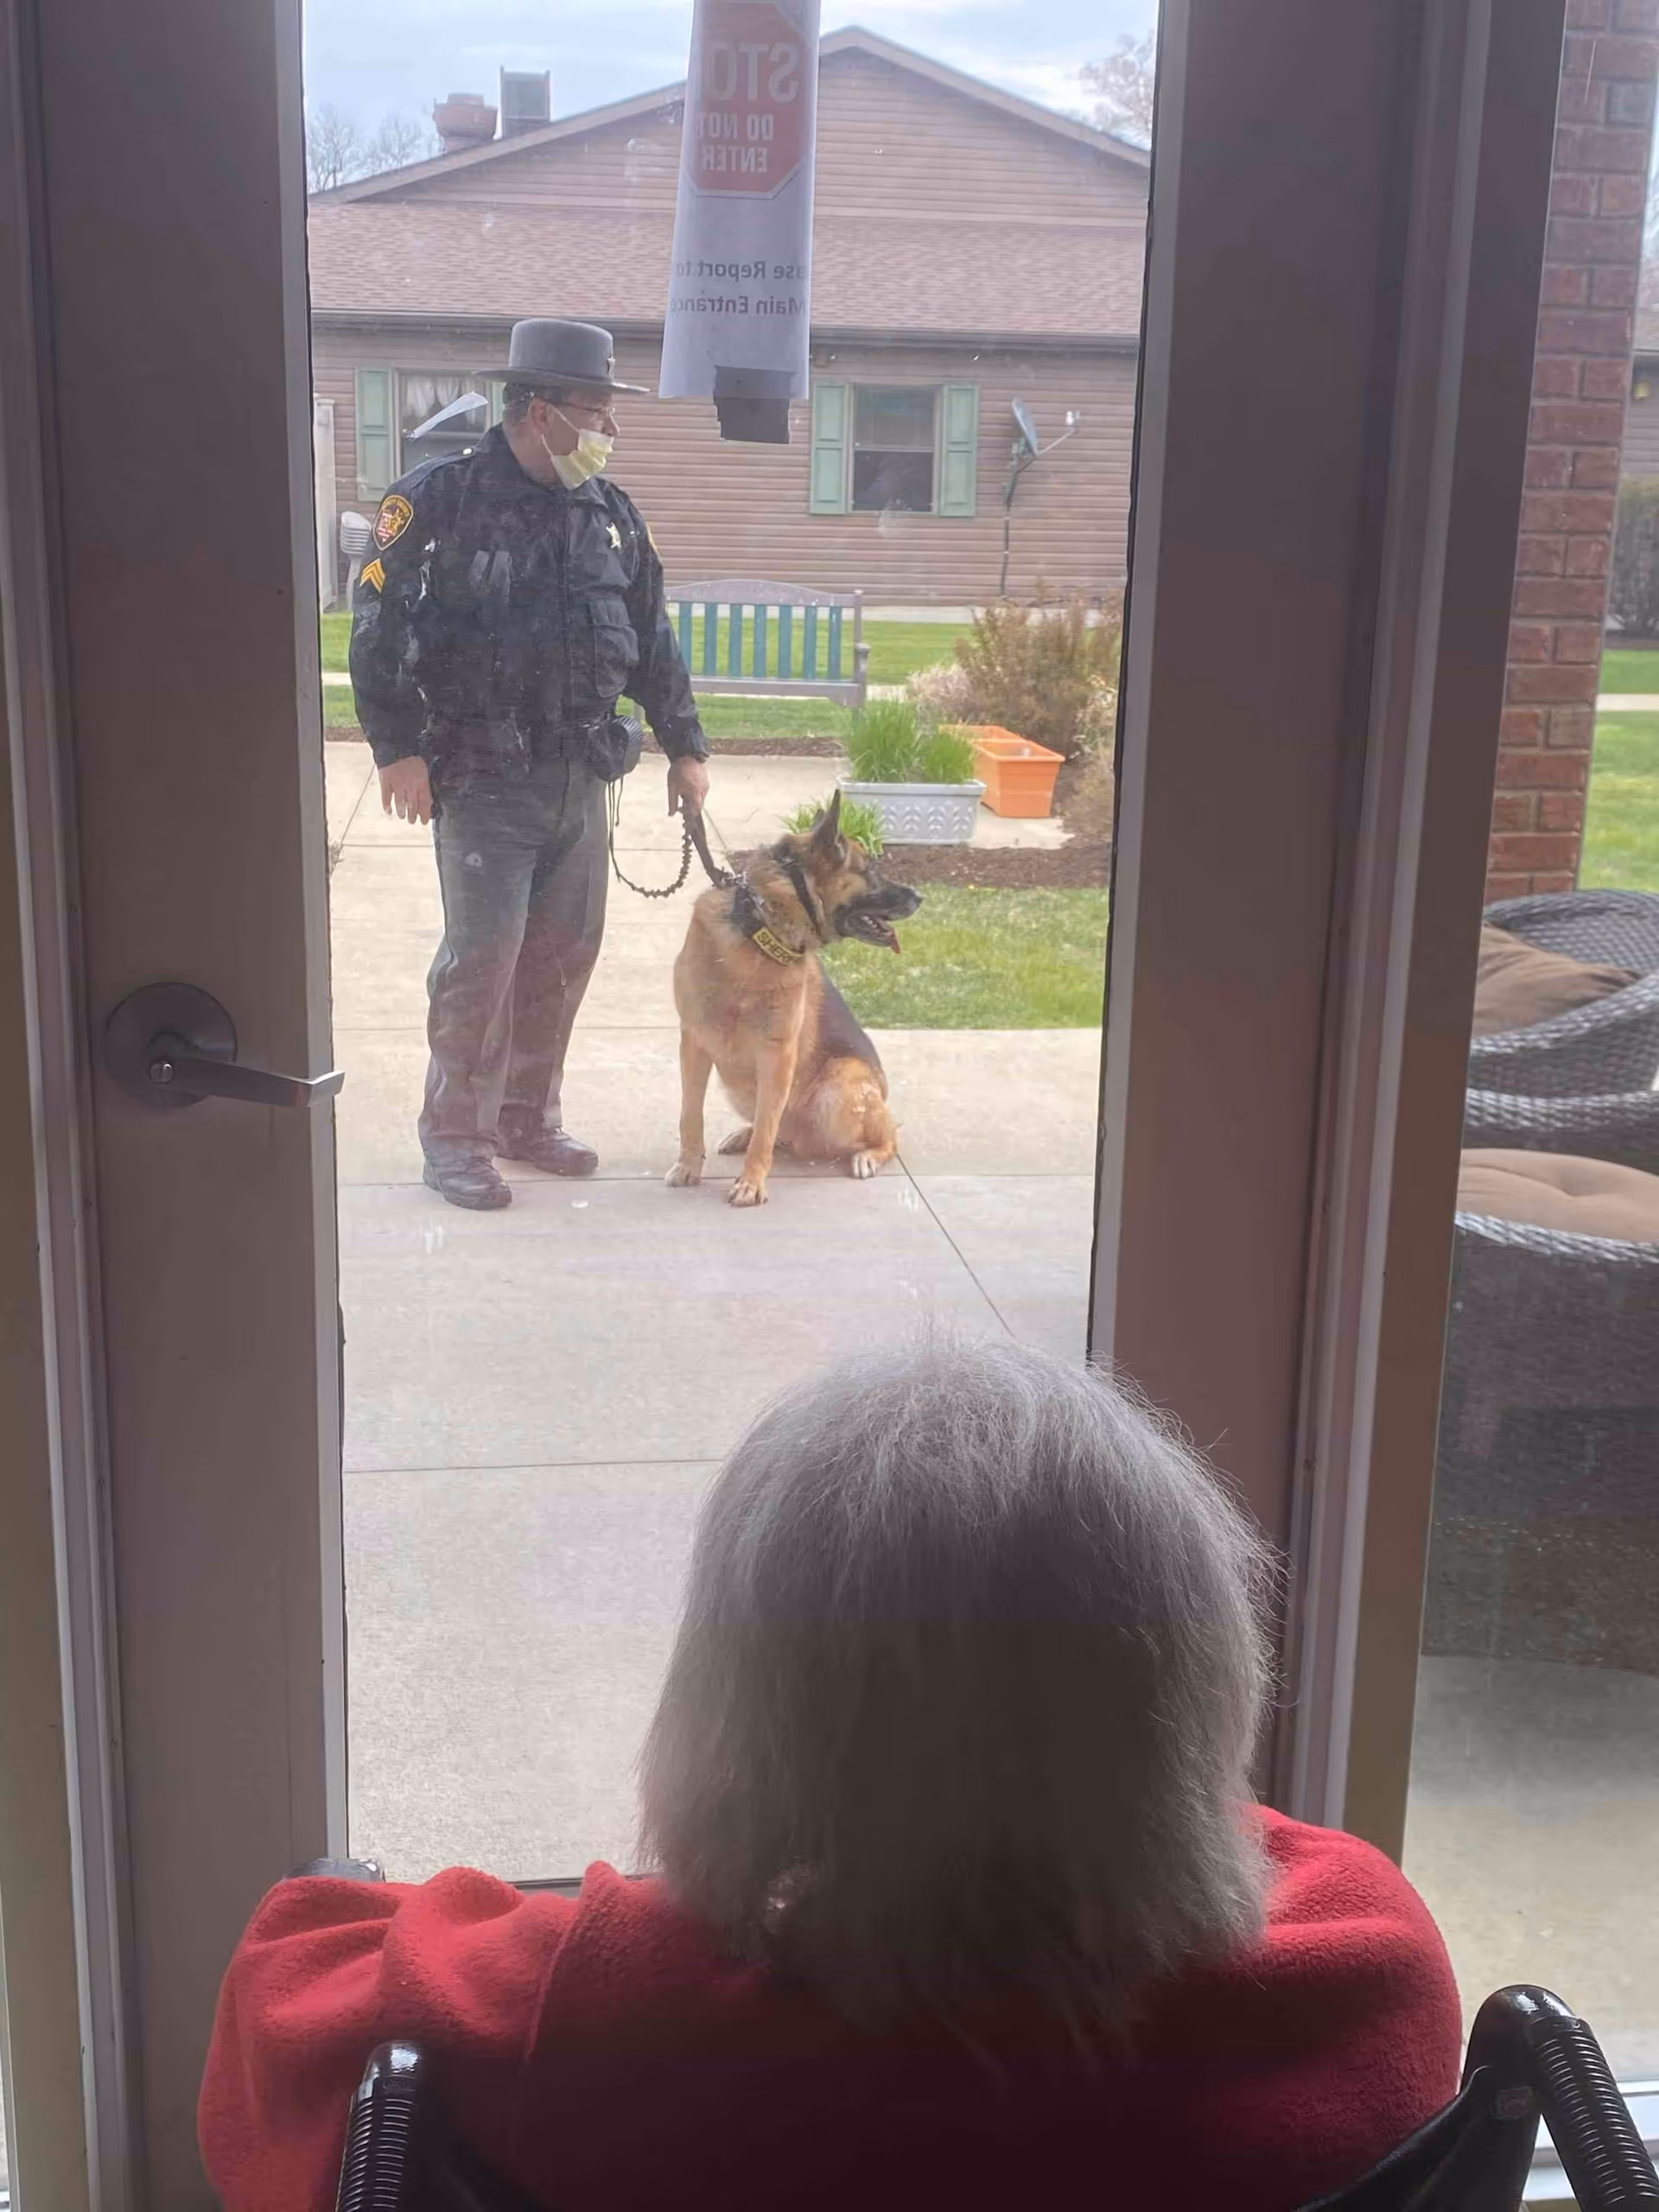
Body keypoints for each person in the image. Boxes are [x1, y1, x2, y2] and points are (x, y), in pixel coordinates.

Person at [199, 1340, 1460, 2212]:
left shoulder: (587, 2024)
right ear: (1199, 1673)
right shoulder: (1368, 1964)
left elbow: (289, 1996)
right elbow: (1247, 1845)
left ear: (737, 1710)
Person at [350, 319, 711, 1211]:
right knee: (483, 962)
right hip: (480, 775)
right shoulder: (440, 500)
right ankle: (456, 1138)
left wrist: (687, 744)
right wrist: (396, 749)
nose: (610, 431)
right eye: (596, 411)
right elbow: (375, 625)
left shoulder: (610, 515)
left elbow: (653, 633)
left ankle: (524, 1115)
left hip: (581, 776)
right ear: (541, 411)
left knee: (560, 958)